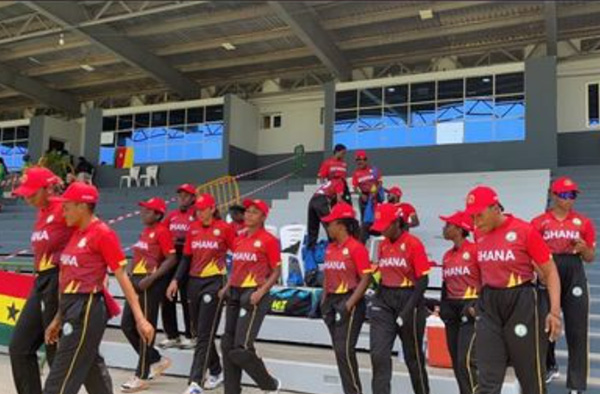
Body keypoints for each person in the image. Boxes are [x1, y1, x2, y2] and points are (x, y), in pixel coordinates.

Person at [43, 182, 154, 394]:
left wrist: (140, 319)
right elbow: (67, 279)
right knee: (92, 370)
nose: (62, 211)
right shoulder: (76, 233)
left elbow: (122, 277)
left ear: (82, 207)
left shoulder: (103, 234)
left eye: (66, 206)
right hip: (70, 307)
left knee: (58, 381)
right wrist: (58, 318)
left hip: (86, 309)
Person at [464, 185, 562, 394]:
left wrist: (554, 313)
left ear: (495, 208)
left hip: (522, 302)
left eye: (479, 215)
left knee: (530, 377)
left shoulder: (524, 231)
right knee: (487, 378)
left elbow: (551, 272)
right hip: (490, 303)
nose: (475, 222)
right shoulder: (477, 233)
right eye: (472, 216)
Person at [9, 167, 71, 394]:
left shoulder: (65, 208)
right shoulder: (42, 211)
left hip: (60, 279)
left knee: (57, 351)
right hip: (41, 282)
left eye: (32, 194)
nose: (27, 199)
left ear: (48, 188)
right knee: (19, 347)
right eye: (25, 194)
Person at [531, 177, 596, 392]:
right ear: (554, 195)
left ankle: (576, 384)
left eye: (573, 195)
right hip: (549, 267)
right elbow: (530, 252)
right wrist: (539, 271)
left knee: (577, 329)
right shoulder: (539, 222)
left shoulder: (583, 222)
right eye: (565, 195)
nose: (570, 200)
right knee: (545, 322)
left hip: (574, 269)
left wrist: (584, 248)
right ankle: (548, 366)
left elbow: (589, 257)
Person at [167, 194, 235, 394]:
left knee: (204, 333)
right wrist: (175, 280)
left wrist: (229, 284)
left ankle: (195, 382)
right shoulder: (193, 228)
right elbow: (186, 258)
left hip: (215, 282)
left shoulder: (224, 228)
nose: (199, 213)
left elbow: (238, 256)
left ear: (213, 208)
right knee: (198, 331)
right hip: (193, 282)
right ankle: (216, 370)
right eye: (197, 210)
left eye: (203, 209)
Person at [219, 199, 282, 394]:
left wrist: (261, 292)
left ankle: (269, 384)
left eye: (254, 212)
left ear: (263, 217)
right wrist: (227, 286)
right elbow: (237, 267)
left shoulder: (269, 240)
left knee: (241, 347)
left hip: (254, 293)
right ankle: (231, 390)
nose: (248, 215)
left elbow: (276, 271)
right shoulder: (239, 238)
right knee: (226, 344)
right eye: (247, 211)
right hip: (235, 292)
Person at [369, 203, 431, 394]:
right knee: (378, 355)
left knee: (413, 359)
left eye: (385, 225)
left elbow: (423, 280)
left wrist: (407, 311)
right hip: (385, 300)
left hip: (410, 299)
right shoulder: (384, 245)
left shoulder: (413, 244)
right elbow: (381, 275)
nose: (382, 230)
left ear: (397, 223)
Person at [120, 197, 177, 392]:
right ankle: (155, 359)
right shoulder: (146, 231)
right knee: (126, 325)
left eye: (148, 210)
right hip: (136, 281)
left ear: (158, 214)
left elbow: (171, 259)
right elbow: (139, 254)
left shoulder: (162, 231)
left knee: (144, 328)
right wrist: (129, 267)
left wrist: (151, 279)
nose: (143, 213)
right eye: (143, 209)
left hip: (149, 284)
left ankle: (141, 375)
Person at [320, 203, 372, 394]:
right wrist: (324, 300)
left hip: (350, 301)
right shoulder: (330, 248)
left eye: (330, 223)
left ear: (341, 225)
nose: (327, 227)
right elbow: (327, 275)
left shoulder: (356, 248)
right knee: (340, 352)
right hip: (331, 302)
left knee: (344, 350)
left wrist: (350, 304)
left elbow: (366, 278)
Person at [439, 211, 480, 394]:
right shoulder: (447, 255)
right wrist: (443, 309)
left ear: (459, 229)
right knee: (456, 361)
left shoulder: (475, 250)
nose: (444, 228)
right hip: (452, 312)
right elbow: (445, 284)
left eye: (448, 225)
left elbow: (489, 278)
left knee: (466, 360)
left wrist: (476, 307)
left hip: (470, 308)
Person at [161, 183, 197, 349]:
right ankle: (172, 335)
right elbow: (162, 232)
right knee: (167, 296)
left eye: (186, 196)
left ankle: (191, 335)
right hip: (172, 255)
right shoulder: (172, 215)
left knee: (186, 298)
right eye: (180, 196)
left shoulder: (196, 214)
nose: (182, 199)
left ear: (193, 198)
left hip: (189, 256)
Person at [351, 150, 383, 243]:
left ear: (366, 160)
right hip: (364, 197)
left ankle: (378, 235)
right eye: (358, 161)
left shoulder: (373, 170)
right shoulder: (356, 173)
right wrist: (361, 195)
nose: (360, 162)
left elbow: (380, 182)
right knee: (365, 218)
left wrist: (375, 192)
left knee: (377, 216)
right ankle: (364, 238)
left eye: (362, 160)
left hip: (375, 196)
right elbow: (355, 187)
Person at [307, 178, 344, 249]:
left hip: (312, 200)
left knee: (312, 228)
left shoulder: (329, 183)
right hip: (322, 200)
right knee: (330, 225)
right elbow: (339, 200)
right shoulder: (340, 182)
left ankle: (310, 250)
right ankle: (334, 248)